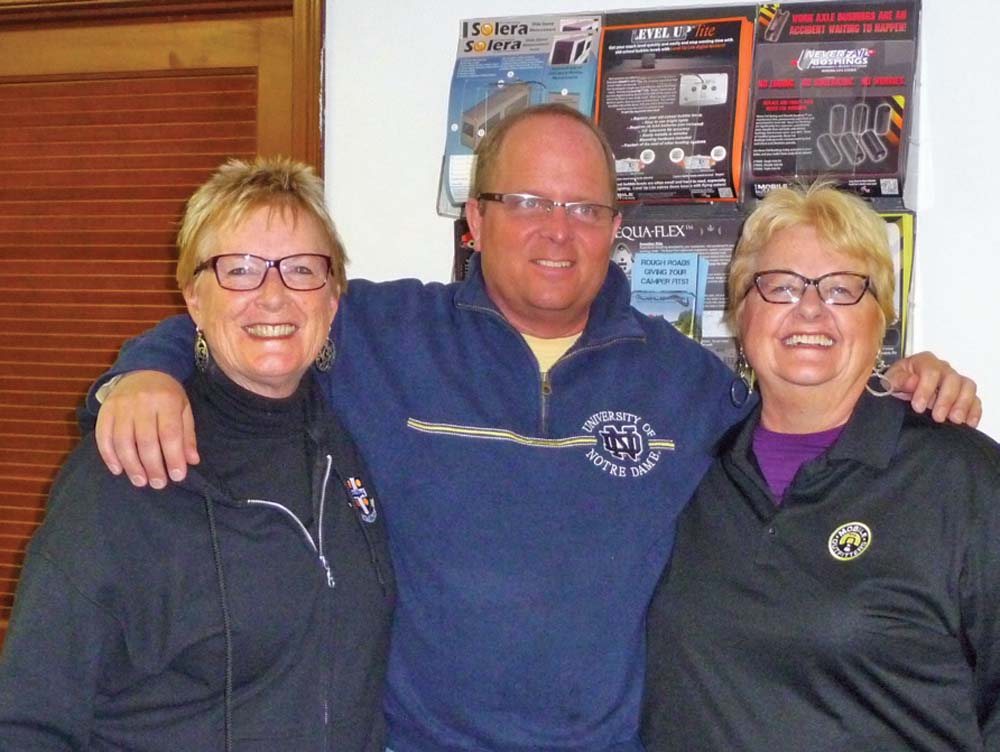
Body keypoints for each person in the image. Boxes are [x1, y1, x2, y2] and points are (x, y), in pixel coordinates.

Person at [88, 106, 979, 751]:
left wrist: (902, 383)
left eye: (585, 208)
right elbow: (264, 315)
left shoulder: (686, 383)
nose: (558, 232)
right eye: (527, 202)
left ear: (615, 229)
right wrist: (146, 370)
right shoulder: (382, 335)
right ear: (475, 221)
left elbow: (805, 412)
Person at [0, 158, 394, 751]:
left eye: (301, 269)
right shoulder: (129, 468)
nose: (273, 296)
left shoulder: (358, 431)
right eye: (239, 270)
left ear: (333, 297)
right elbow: (28, 719)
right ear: (193, 298)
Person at [641, 184, 1000, 752]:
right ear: (742, 312)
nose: (809, 308)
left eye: (841, 288)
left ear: (881, 318)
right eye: (781, 286)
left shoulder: (958, 475)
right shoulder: (686, 468)